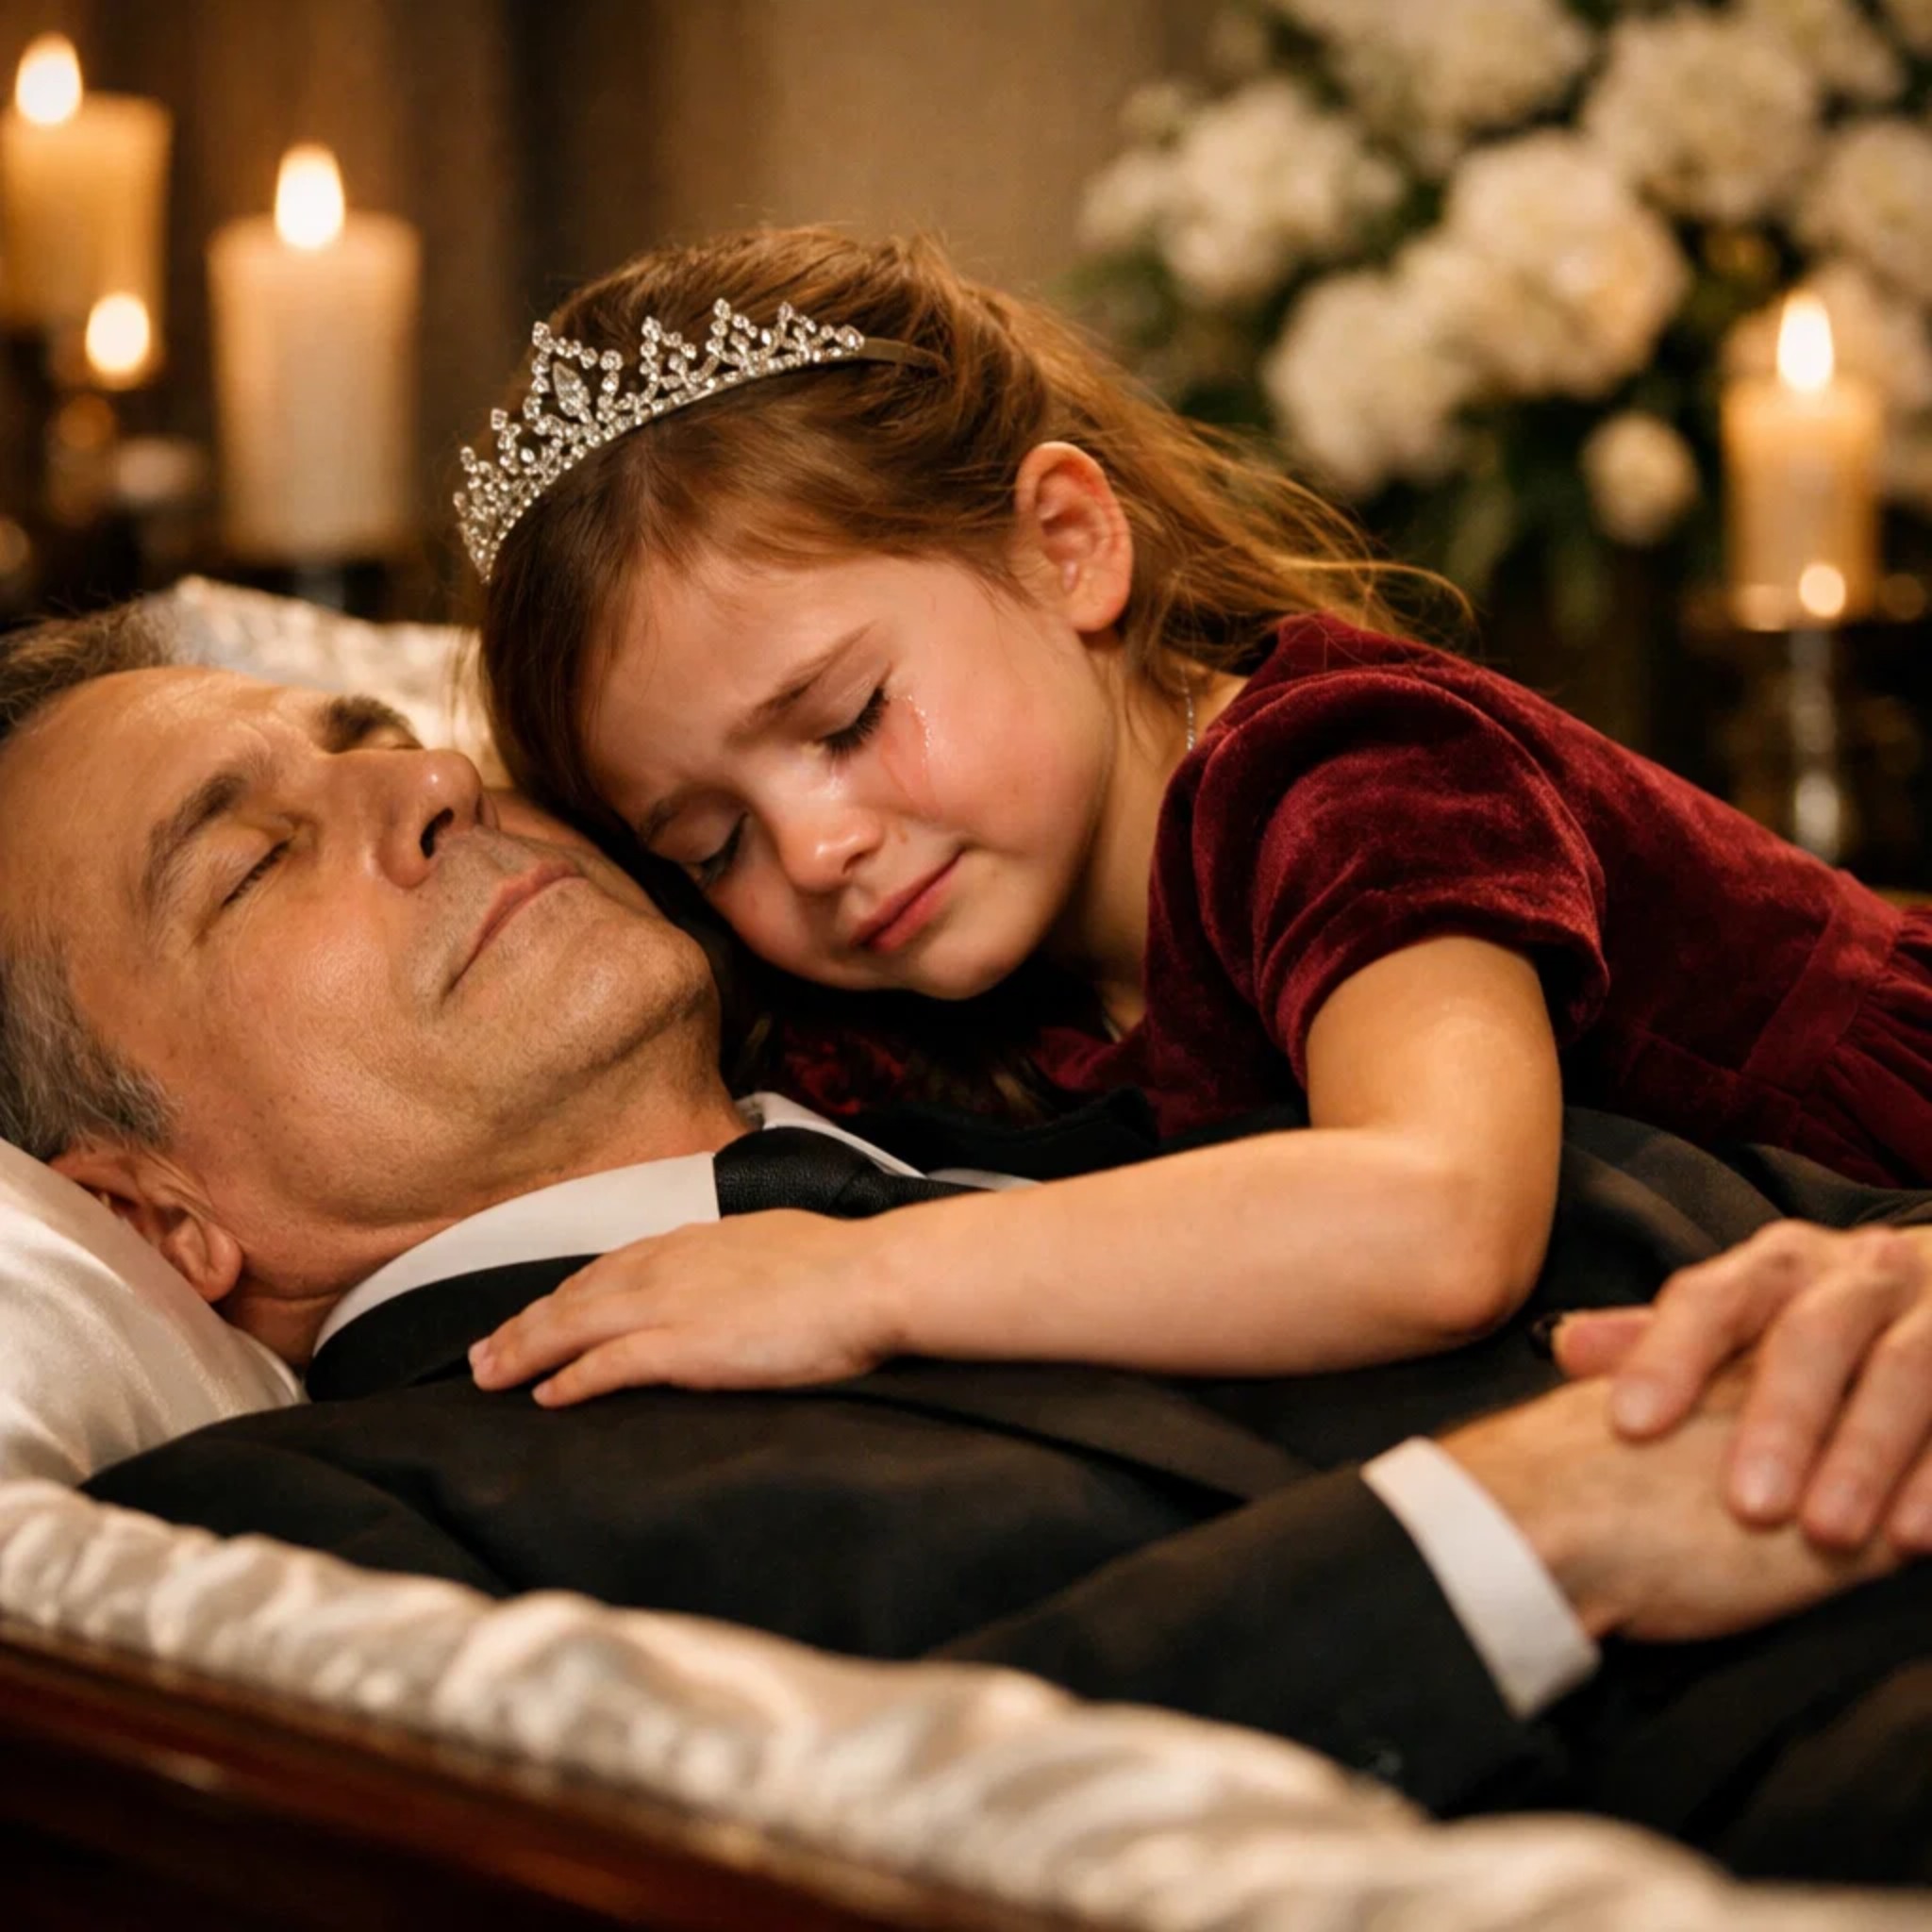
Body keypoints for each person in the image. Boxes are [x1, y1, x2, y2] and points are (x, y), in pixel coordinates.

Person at [2, 609, 1930, 1884]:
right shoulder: (274, 1552)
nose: (434, 786)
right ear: (151, 1209)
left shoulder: (1114, 1019)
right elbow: (757, 1867)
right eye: (253, 858)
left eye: (395, 744)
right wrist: (1527, 1531)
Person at [462, 228, 1932, 1556]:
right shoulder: (941, 977)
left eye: (846, 722)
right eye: (711, 843)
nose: (811, 852)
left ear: (1066, 547)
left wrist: (857, 1281)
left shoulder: (1347, 777)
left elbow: (1439, 1221)